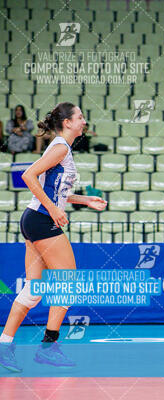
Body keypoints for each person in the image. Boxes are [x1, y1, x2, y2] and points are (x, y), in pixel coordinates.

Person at [0, 102, 107, 373]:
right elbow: (28, 175)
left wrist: (84, 200)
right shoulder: (60, 147)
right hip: (41, 220)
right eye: (80, 117)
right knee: (68, 283)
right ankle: (48, 348)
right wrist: (53, 209)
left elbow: (56, 190)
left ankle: (5, 345)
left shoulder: (62, 148)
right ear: (68, 122)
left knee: (32, 291)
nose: (84, 121)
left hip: (33, 219)